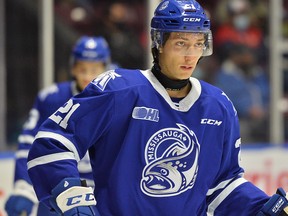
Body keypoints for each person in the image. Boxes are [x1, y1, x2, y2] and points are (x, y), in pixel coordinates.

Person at [26, 0, 288, 215]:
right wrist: (70, 194)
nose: (191, 55)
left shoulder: (218, 106)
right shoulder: (118, 89)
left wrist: (261, 207)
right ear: (159, 43)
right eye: (181, 43)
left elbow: (222, 185)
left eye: (198, 44)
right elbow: (52, 141)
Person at [5, 36, 113, 216]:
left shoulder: (119, 98)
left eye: (94, 69)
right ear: (73, 68)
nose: (87, 76)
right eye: (82, 69)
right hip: (61, 187)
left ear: (106, 69)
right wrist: (24, 188)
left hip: (102, 192)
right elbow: (30, 144)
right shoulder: (51, 98)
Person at [214, 43, 270, 143]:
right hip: (240, 118)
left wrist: (265, 107)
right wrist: (246, 109)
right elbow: (224, 99)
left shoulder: (256, 71)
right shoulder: (225, 75)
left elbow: (265, 90)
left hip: (263, 114)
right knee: (241, 130)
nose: (248, 58)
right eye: (244, 55)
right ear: (235, 56)